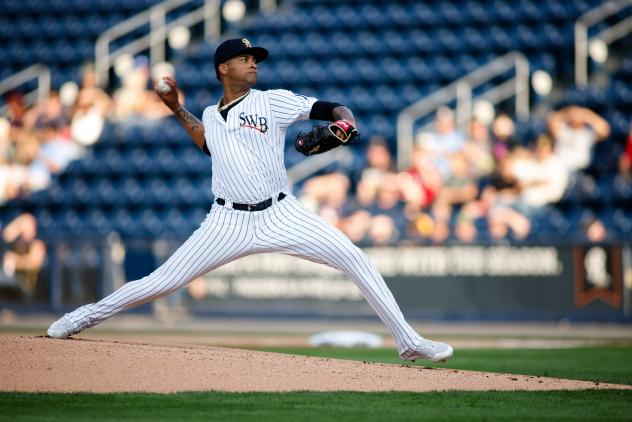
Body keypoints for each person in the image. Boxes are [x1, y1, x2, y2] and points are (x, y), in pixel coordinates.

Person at [47, 38, 453, 363]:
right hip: (226, 221)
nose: (253, 62)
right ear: (224, 69)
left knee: (355, 258)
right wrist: (176, 109)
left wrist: (346, 122)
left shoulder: (271, 100)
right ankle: (81, 317)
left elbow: (329, 107)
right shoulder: (209, 113)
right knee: (160, 282)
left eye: (254, 57)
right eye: (244, 58)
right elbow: (209, 144)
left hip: (280, 212)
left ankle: (409, 341)